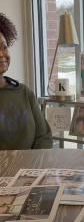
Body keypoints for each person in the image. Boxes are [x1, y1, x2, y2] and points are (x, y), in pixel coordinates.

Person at [0, 13, 53, 150]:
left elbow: (43, 136)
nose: (1, 54)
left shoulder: (23, 92)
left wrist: (34, 166)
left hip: (29, 169)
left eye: (4, 47)